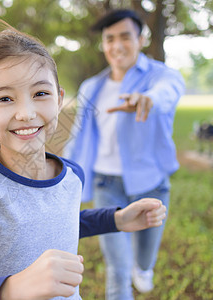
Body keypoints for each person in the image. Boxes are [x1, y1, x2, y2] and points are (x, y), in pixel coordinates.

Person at [0, 21, 167, 300]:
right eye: (4, 98)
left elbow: (52, 219)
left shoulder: (72, 175)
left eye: (40, 94)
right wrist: (12, 288)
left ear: (59, 99)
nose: (25, 113)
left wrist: (116, 219)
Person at [64, 9, 185, 300]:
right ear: (104, 44)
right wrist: (62, 171)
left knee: (144, 260)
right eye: (110, 39)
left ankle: (143, 268)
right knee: (117, 268)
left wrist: (148, 99)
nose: (117, 45)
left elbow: (168, 91)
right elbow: (79, 137)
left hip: (152, 183)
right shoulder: (92, 87)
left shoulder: (161, 76)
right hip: (107, 185)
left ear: (141, 39)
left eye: (125, 37)